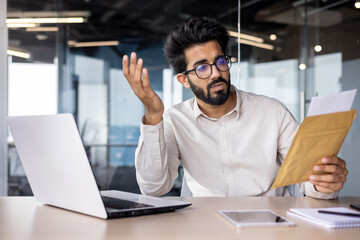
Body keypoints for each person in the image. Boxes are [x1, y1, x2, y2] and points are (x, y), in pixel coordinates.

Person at [122, 17, 348, 198]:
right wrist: (153, 114)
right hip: (204, 227)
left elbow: (308, 183)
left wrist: (324, 184)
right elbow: (153, 189)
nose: (216, 73)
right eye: (202, 68)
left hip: (268, 225)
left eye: (220, 61)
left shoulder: (272, 112)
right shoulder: (175, 119)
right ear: (183, 79)